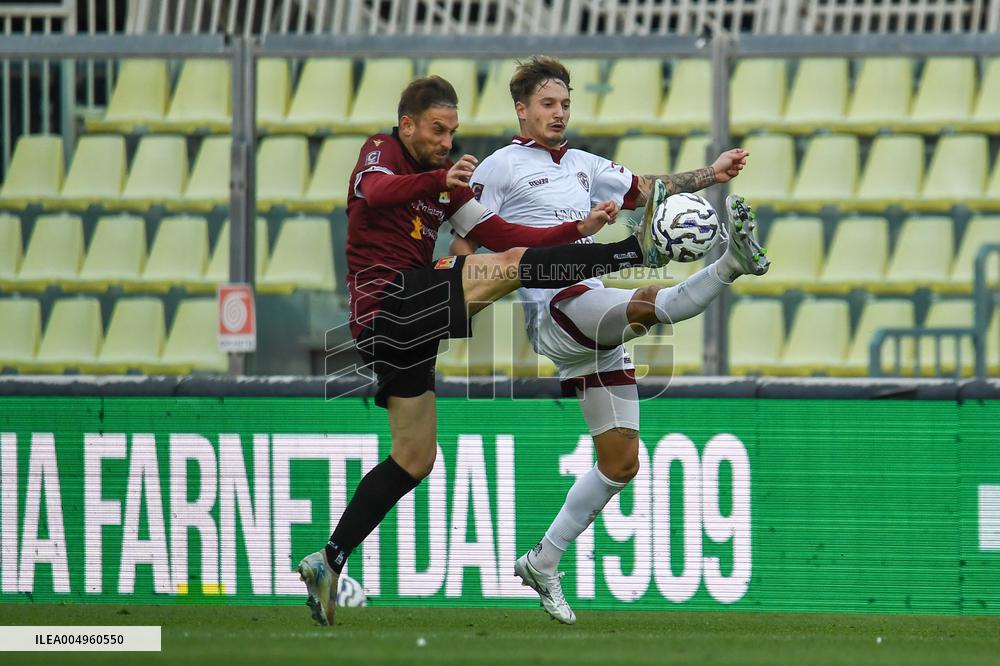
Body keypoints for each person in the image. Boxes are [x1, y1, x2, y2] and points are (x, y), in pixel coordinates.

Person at [297, 74, 673, 627]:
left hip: (410, 327)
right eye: (436, 129)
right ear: (407, 125)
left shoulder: (445, 184)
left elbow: (501, 234)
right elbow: (376, 194)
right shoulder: (381, 154)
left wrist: (576, 226)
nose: (446, 140)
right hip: (388, 304)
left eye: (452, 131)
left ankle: (328, 559)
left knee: (414, 456)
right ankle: (630, 254)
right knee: (513, 267)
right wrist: (436, 180)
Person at [449, 56, 770, 624]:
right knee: (648, 304)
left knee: (621, 463)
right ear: (521, 110)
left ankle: (542, 560)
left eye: (565, 103)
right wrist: (458, 300)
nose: (558, 113)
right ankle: (730, 263)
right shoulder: (499, 167)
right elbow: (470, 235)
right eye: (547, 104)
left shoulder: (582, 165)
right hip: (556, 306)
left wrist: (712, 175)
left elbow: (648, 190)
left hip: (589, 317)